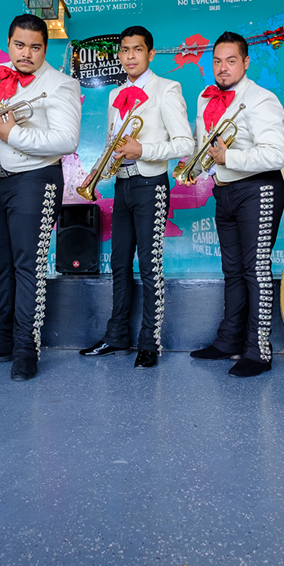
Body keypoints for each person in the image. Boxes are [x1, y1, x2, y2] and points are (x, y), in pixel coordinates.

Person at [0, 14, 81, 381]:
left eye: (35, 46)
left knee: (28, 266)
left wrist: (15, 136)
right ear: (8, 43)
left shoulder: (62, 84)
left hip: (35, 179)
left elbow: (66, 140)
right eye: (19, 45)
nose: (26, 53)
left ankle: (26, 347)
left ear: (46, 47)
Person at [79, 26, 194, 368]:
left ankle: (149, 342)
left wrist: (143, 148)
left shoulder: (166, 89)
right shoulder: (116, 94)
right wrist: (97, 170)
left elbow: (185, 143)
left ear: (150, 54)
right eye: (125, 50)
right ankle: (116, 336)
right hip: (123, 185)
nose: (130, 55)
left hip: (151, 185)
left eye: (137, 49)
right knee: (118, 263)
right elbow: (113, 142)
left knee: (149, 265)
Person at [189, 33, 284, 377]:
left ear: (246, 63)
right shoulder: (206, 99)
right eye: (217, 61)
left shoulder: (261, 99)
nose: (223, 67)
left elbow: (276, 155)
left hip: (258, 189)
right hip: (225, 190)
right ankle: (229, 340)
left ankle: (258, 351)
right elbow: (208, 149)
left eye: (231, 60)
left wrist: (226, 155)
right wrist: (199, 166)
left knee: (255, 269)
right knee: (232, 270)